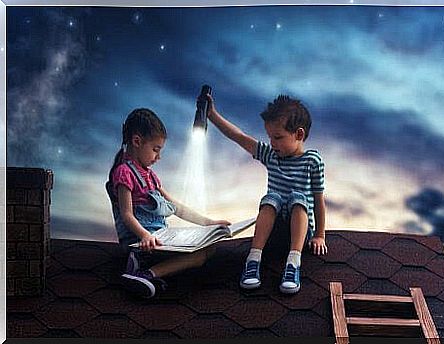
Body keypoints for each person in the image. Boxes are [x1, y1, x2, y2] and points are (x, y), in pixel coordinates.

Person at [207, 94, 327, 294]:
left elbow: (318, 200)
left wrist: (320, 235)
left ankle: (293, 263)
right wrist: (212, 115)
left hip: (299, 234)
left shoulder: (312, 161)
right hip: (273, 233)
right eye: (270, 137)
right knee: (271, 199)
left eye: (278, 137)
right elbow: (240, 137)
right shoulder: (271, 156)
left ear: (298, 134)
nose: (272, 143)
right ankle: (253, 260)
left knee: (299, 199)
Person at [106, 108, 230, 299]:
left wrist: (209, 223)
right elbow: (126, 214)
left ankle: (148, 274)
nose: (158, 157)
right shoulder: (124, 172)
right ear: (137, 141)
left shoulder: (151, 177)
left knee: (208, 248)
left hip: (160, 237)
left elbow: (176, 207)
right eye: (156, 149)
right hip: (141, 241)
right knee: (197, 257)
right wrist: (145, 236)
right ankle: (142, 273)